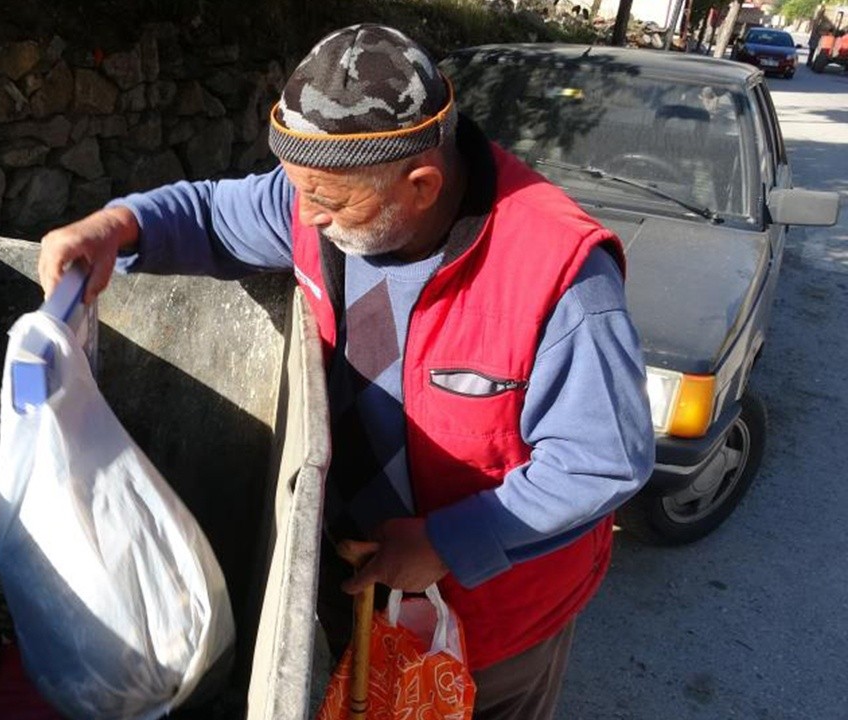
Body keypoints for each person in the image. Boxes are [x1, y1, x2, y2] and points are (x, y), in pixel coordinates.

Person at [38, 24, 654, 720]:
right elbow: (212, 214)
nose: (303, 216)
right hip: (354, 582)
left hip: (486, 631)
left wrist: (449, 542)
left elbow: (601, 460)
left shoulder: (559, 272)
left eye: (326, 201)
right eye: (298, 190)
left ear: (421, 184)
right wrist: (118, 228)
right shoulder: (319, 203)